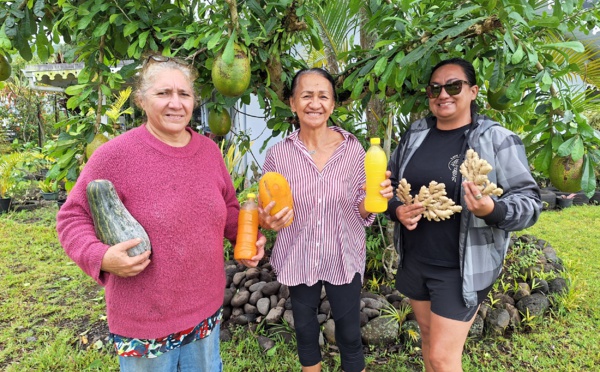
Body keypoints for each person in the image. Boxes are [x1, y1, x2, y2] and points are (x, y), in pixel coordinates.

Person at [56, 54, 265, 371]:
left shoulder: (209, 151)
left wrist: (248, 239)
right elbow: (72, 218)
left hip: (205, 310)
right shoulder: (115, 155)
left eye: (184, 94)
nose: (176, 103)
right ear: (141, 99)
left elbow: (229, 209)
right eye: (163, 93)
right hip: (145, 319)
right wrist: (101, 257)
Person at [386, 57, 542, 371]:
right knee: (428, 341)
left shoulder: (497, 139)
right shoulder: (416, 134)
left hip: (461, 268)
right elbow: (388, 184)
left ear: (472, 91)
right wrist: (396, 210)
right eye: (435, 89)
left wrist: (492, 209)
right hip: (416, 259)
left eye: (454, 86)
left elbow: (530, 203)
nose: (443, 94)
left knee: (443, 358)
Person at [258, 67, 394, 372]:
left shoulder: (353, 150)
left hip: (342, 254)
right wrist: (268, 219)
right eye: (306, 95)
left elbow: (363, 209)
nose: (314, 103)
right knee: (305, 330)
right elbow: (268, 212)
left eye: (323, 96)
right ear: (293, 103)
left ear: (332, 105)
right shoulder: (279, 154)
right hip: (299, 253)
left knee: (348, 331)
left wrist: (376, 197)